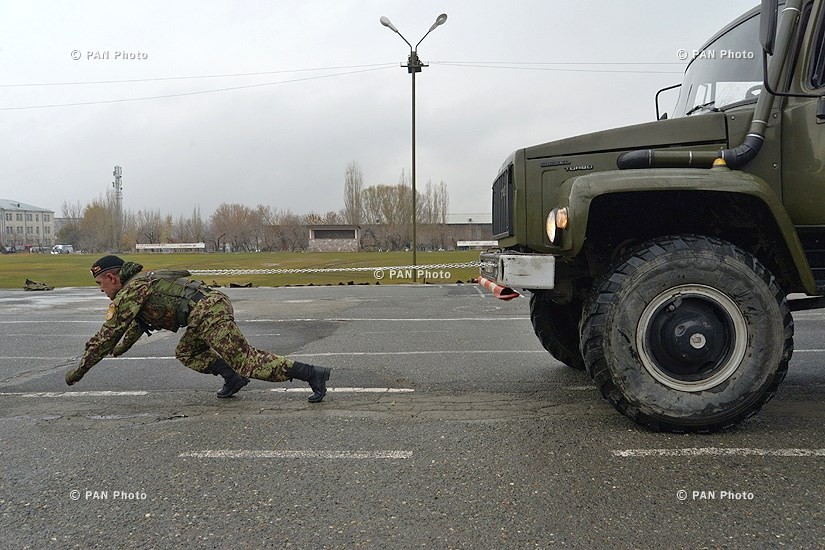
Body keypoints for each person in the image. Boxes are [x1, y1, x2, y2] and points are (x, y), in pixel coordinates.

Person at [65, 255, 331, 402]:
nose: (101, 290)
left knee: (246, 360)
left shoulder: (130, 291)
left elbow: (107, 336)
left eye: (100, 284)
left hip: (206, 311)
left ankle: (312, 374)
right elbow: (136, 323)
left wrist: (79, 371)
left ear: (112, 277)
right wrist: (122, 349)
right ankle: (232, 378)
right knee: (187, 352)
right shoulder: (137, 285)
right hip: (203, 310)